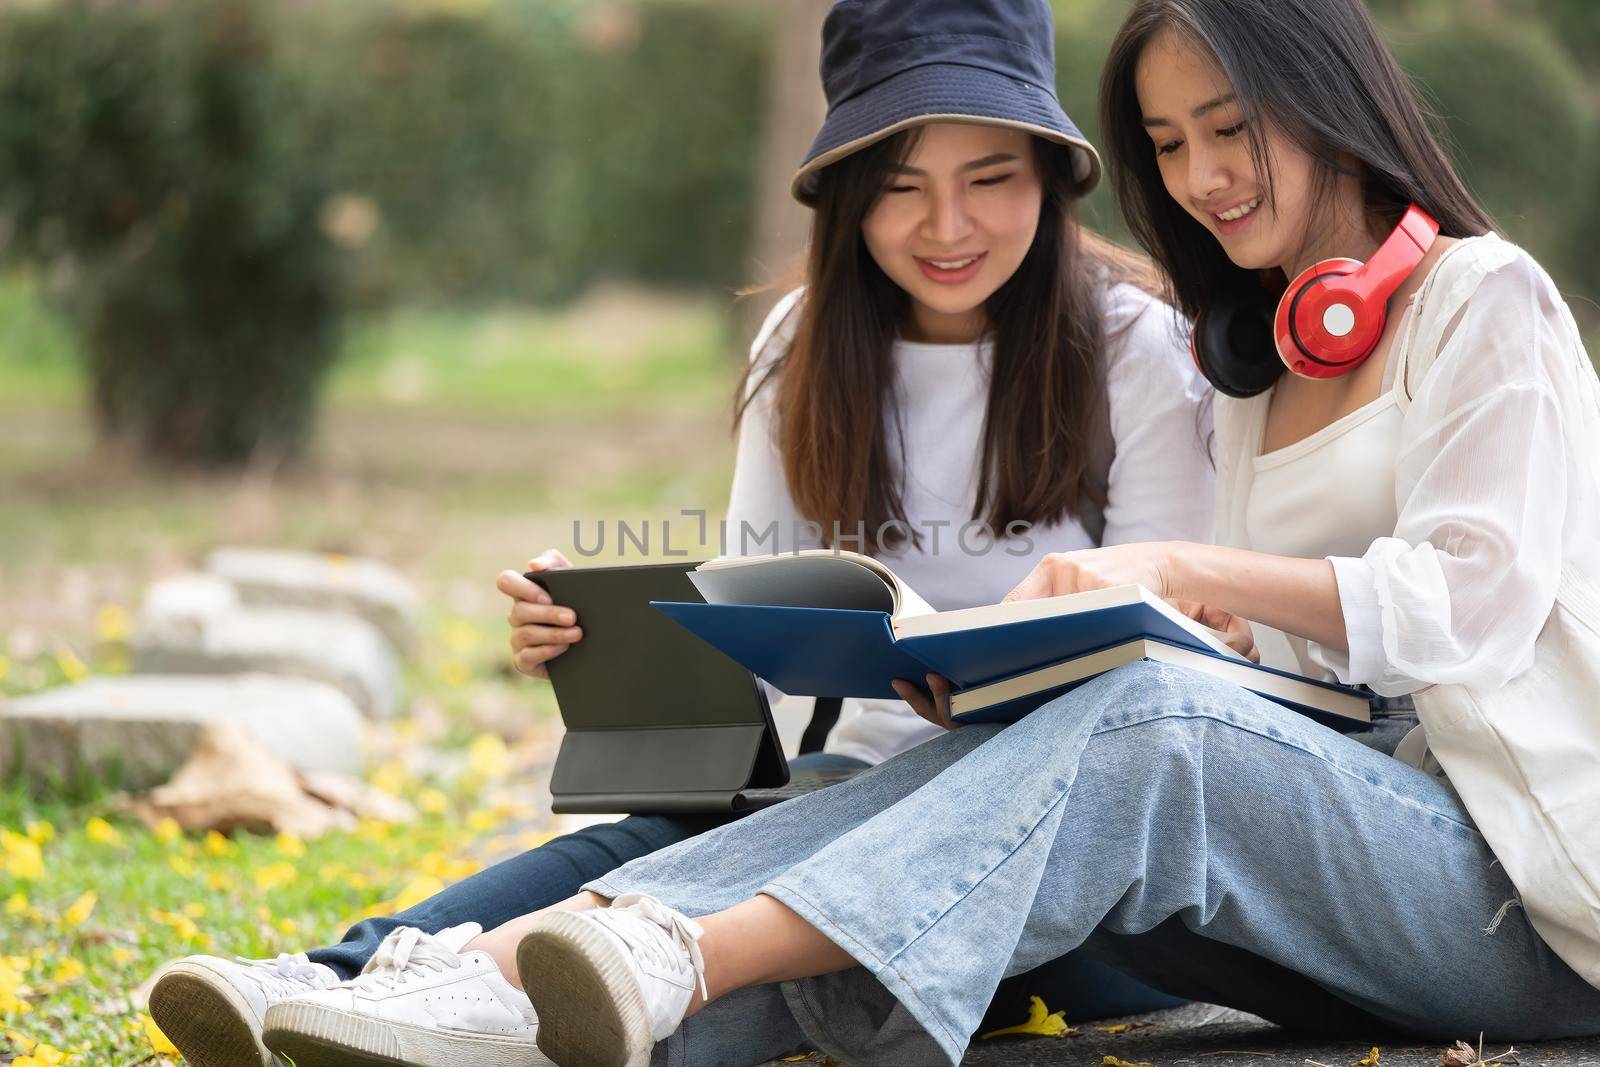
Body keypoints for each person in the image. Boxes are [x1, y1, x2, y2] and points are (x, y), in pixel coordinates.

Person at [419, 1, 1600, 1065]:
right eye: (1170, 144)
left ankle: (670, 949)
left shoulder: (1485, 297)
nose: (1201, 176)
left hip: (1528, 897)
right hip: (1328, 874)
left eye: (1227, 127)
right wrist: (1009, 677)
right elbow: (1283, 692)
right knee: (915, 793)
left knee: (1150, 727)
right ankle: (491, 992)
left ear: (1326, 102)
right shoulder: (1257, 364)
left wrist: (1185, 570)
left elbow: (1473, 605)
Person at [146, 1, 1220, 1064]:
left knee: (794, 869)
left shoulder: (1134, 344)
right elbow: (752, 634)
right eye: (899, 188)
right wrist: (609, 642)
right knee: (677, 835)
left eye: (989, 179)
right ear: (846, 197)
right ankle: (340, 977)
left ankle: (445, 1000)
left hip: (1047, 842)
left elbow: (1159, 649)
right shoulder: (801, 346)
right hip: (828, 795)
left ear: (1048, 174)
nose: (946, 228)